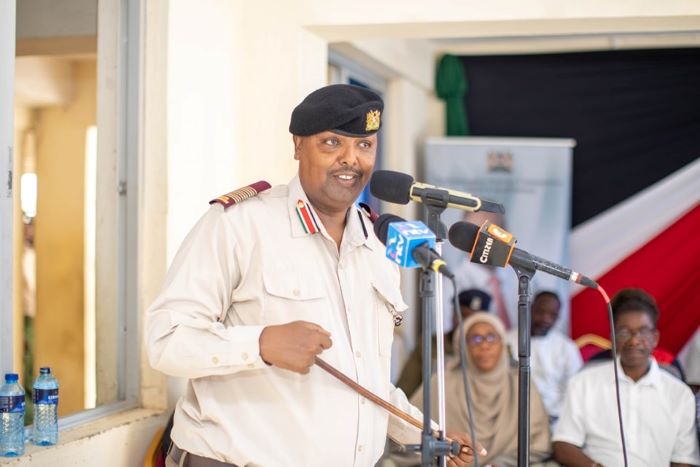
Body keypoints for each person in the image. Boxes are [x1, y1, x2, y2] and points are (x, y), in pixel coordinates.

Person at [145, 84, 480, 467]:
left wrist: (427, 433)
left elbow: (364, 378)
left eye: (364, 145)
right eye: (332, 143)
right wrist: (261, 344)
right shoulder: (240, 226)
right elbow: (166, 340)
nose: (350, 159)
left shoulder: (378, 245)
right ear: (298, 146)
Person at [553, 288, 700, 467]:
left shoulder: (680, 394)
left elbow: (683, 459)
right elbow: (563, 444)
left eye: (643, 331)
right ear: (613, 338)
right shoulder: (583, 383)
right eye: (624, 332)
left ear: (655, 338)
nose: (634, 340)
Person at [411, 313, 552, 467]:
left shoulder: (520, 383)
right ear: (463, 346)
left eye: (491, 337)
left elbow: (538, 443)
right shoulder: (442, 383)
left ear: (502, 343)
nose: (484, 346)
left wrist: (502, 464)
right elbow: (410, 432)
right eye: (475, 339)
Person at [396, 288, 491, 398]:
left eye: (475, 318)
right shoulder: (431, 345)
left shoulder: (495, 350)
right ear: (453, 314)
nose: (467, 323)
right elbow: (404, 390)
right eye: (462, 315)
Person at [505, 291, 582, 427]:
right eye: (541, 312)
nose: (546, 319)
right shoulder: (507, 340)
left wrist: (555, 414)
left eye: (552, 315)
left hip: (554, 419)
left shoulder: (566, 347)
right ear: (530, 309)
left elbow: (575, 388)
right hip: (512, 417)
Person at [448, 210, 517, 330]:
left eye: (497, 230)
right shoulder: (451, 282)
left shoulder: (519, 276)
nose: (491, 239)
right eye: (483, 232)